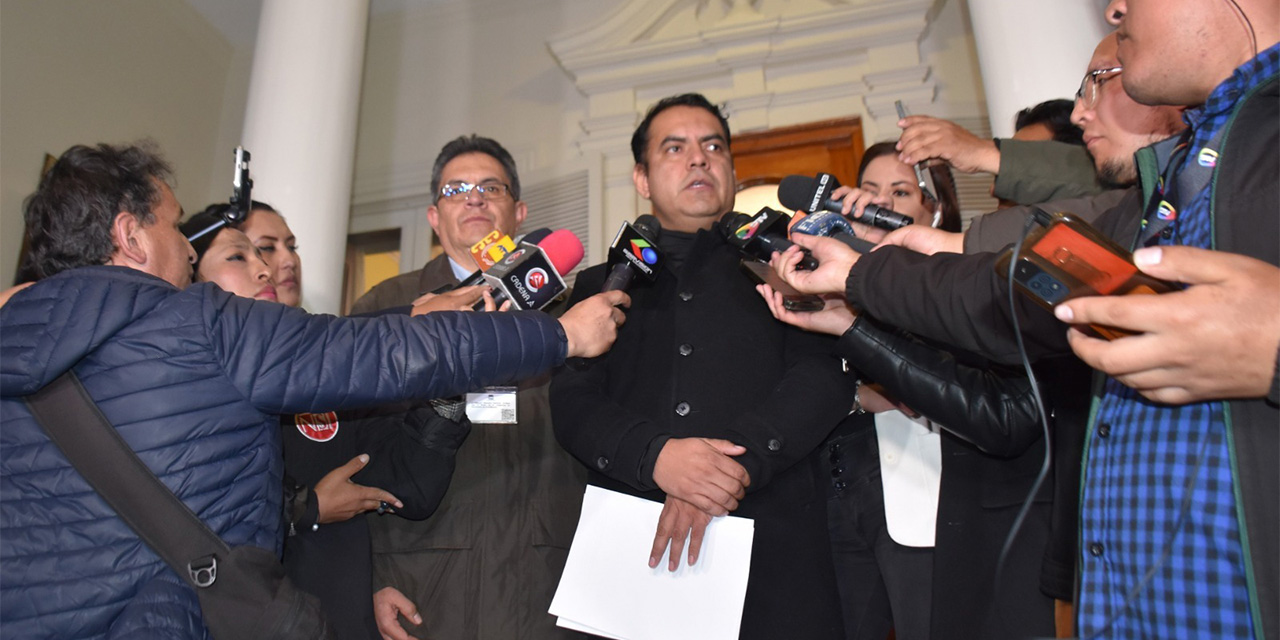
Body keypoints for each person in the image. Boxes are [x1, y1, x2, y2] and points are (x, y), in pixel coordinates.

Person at [770, 0, 1280, 632]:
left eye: (1100, 80)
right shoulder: (1166, 185)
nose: (1115, 9)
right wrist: (860, 277)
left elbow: (1004, 403)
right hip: (1139, 596)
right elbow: (1004, 297)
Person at [0, 141, 628, 639]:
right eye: (170, 228)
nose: (187, 257)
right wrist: (559, 337)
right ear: (131, 237)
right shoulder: (196, 320)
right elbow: (377, 356)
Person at [550, 93, 857, 640]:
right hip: (631, 554)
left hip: (774, 544)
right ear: (641, 178)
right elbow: (573, 404)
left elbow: (824, 376)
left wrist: (731, 465)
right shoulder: (601, 283)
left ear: (732, 171)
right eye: (675, 148)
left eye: (713, 146)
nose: (699, 158)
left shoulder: (787, 264)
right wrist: (657, 457)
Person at [787, 143, 1054, 640]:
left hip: (943, 500)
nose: (877, 203)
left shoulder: (963, 281)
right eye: (868, 191)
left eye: (900, 192)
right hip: (850, 494)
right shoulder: (825, 277)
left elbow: (982, 393)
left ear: (936, 209)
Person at [349, 135, 591, 640]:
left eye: (490, 186)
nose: (474, 197)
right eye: (456, 188)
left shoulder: (575, 309)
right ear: (435, 217)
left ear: (519, 211)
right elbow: (353, 451)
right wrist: (363, 580)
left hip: (548, 570)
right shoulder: (388, 304)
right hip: (421, 571)